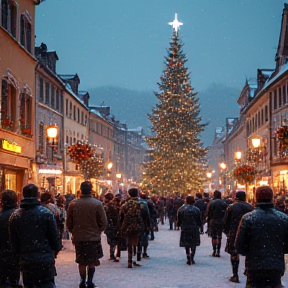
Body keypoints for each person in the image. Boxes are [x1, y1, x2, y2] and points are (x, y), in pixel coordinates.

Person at [9, 183, 61, 288]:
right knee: (46, 284)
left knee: (29, 284)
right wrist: (54, 250)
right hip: (45, 259)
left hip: (26, 260)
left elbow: (14, 243)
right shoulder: (46, 213)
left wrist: (19, 255)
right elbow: (54, 238)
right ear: (38, 196)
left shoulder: (16, 216)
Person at [236, 186, 288, 288]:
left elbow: (240, 247)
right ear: (272, 197)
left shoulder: (248, 218)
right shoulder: (283, 218)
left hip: (254, 267)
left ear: (256, 198)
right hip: (275, 267)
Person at [66, 181, 107, 288]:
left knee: (81, 261)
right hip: (93, 238)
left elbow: (69, 222)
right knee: (92, 260)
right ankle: (90, 281)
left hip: (79, 237)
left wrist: (74, 231)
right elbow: (103, 221)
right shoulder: (97, 204)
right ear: (91, 190)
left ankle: (82, 281)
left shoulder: (73, 204)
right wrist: (97, 231)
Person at [223, 190, 253, 283]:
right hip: (248, 232)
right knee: (249, 253)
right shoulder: (250, 207)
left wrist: (227, 232)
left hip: (234, 231)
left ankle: (235, 274)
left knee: (234, 253)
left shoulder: (231, 207)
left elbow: (226, 222)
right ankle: (248, 271)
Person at [120, 188, 149, 268]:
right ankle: (136, 258)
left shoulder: (125, 204)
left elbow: (121, 216)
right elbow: (146, 216)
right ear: (137, 194)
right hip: (139, 225)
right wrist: (147, 226)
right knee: (138, 242)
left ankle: (129, 260)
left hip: (128, 225)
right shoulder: (142, 204)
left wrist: (121, 226)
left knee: (129, 242)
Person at [0, 190, 21, 288]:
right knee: (14, 281)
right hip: (15, 255)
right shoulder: (19, 216)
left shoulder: (1, 216)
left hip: (2, 254)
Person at [177, 195, 202, 265]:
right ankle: (192, 256)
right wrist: (200, 227)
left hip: (185, 228)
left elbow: (179, 219)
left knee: (186, 243)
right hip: (194, 228)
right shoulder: (196, 209)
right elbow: (199, 220)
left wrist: (179, 225)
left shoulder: (181, 209)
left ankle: (188, 255)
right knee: (193, 243)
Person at [206, 190, 228, 257]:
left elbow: (208, 213)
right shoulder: (224, 203)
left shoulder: (212, 203)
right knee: (219, 236)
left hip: (213, 221)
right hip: (221, 221)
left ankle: (214, 250)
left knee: (214, 236)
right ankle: (218, 251)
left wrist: (208, 221)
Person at [103, 192, 120, 262]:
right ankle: (113, 253)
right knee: (113, 239)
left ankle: (112, 253)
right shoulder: (115, 205)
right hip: (113, 225)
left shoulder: (107, 206)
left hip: (110, 225)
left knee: (111, 240)